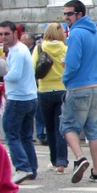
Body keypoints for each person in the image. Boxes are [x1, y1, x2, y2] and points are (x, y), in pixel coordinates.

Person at [60, 0, 97, 183]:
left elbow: (72, 64)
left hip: (78, 87)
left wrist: (66, 79)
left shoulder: (76, 34)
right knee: (94, 130)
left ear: (79, 14)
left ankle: (80, 158)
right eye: (64, 13)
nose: (66, 17)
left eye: (69, 14)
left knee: (68, 126)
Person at [0, 21, 39, 184]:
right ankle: (31, 169)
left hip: (18, 99)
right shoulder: (21, 49)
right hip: (29, 97)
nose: (3, 37)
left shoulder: (17, 51)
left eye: (6, 34)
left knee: (11, 135)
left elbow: (14, 75)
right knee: (26, 136)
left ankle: (23, 167)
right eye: (1, 34)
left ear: (15, 33)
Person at [33, 23, 69, 174]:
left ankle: (54, 161)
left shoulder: (40, 48)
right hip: (62, 90)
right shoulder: (65, 49)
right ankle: (62, 162)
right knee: (61, 127)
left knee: (49, 127)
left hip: (44, 90)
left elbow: (33, 68)